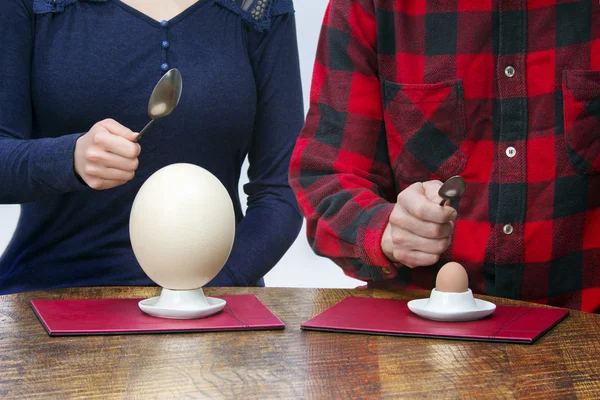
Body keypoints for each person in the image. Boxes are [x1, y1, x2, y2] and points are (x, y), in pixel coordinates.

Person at [289, 0, 600, 312]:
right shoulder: (369, 6)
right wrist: (385, 231)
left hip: (585, 332)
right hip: (416, 335)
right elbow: (326, 176)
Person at [0, 0, 304, 294]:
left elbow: (282, 189)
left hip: (214, 306)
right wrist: (71, 159)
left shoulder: (257, 6)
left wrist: (219, 284)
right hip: (50, 298)